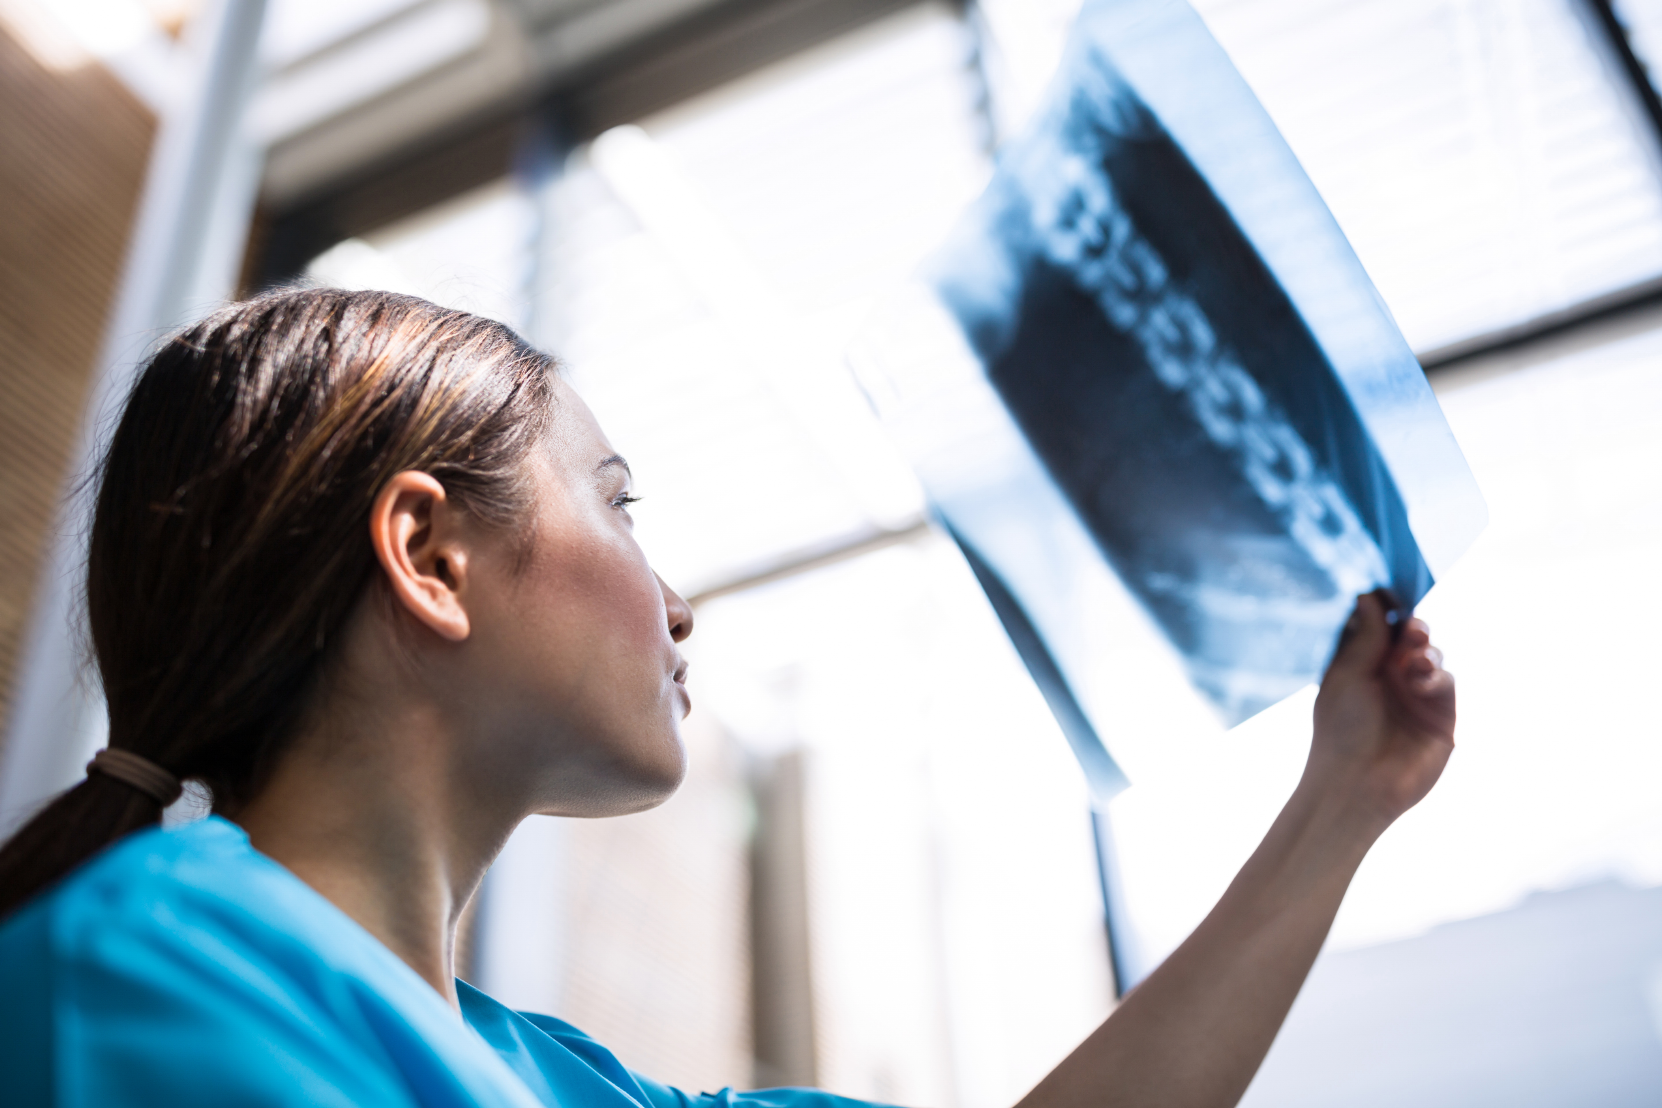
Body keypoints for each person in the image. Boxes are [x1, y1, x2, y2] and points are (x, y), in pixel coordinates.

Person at [0, 289, 1456, 1108]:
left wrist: (1342, 802)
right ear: (430, 555)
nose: (676, 600)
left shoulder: (567, 1082)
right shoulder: (155, 967)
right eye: (617, 504)